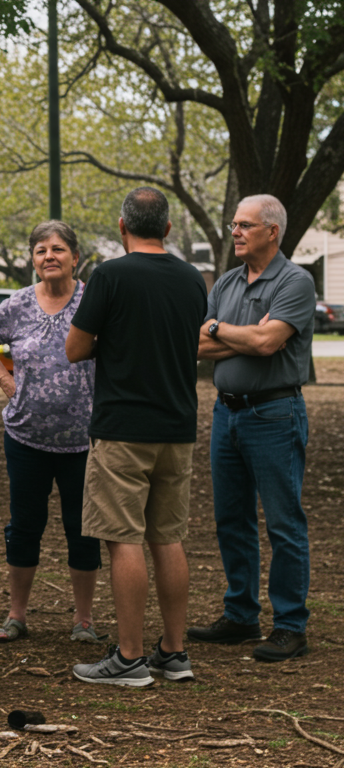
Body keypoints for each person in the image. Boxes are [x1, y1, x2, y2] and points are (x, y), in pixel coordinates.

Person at [66, 187, 206, 686]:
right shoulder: (193, 279)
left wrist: (116, 338)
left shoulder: (109, 275)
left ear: (122, 227)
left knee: (121, 538)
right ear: (167, 229)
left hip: (123, 427)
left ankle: (128, 658)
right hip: (177, 425)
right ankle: (174, 652)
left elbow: (75, 348)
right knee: (167, 538)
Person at [191, 194, 315, 662]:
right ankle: (241, 614)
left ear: (272, 232)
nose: (235, 232)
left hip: (274, 414)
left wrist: (223, 331)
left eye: (245, 225)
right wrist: (240, 335)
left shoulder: (295, 282)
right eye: (234, 224)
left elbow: (268, 342)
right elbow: (196, 344)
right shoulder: (226, 282)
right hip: (227, 413)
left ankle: (290, 625)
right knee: (231, 519)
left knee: (283, 522)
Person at [0, 221, 101, 644]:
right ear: (32, 259)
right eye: (41, 250)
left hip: (83, 440)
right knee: (24, 526)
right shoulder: (17, 305)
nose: (50, 256)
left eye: (59, 249)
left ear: (75, 258)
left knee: (82, 529)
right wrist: (3, 380)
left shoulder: (92, 303)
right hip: (25, 437)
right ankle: (16, 615)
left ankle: (83, 620)